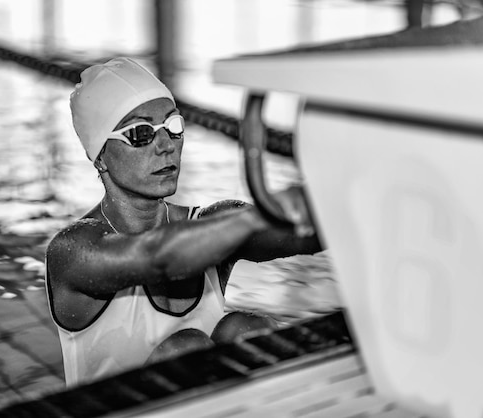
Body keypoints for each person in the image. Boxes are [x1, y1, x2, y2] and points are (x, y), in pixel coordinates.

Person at [45, 57, 322, 387]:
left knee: (244, 330)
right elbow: (157, 259)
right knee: (186, 348)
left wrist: (338, 205)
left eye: (173, 126)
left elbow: (305, 236)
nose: (166, 146)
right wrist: (259, 215)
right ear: (101, 156)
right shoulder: (74, 252)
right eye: (140, 133)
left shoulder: (212, 224)